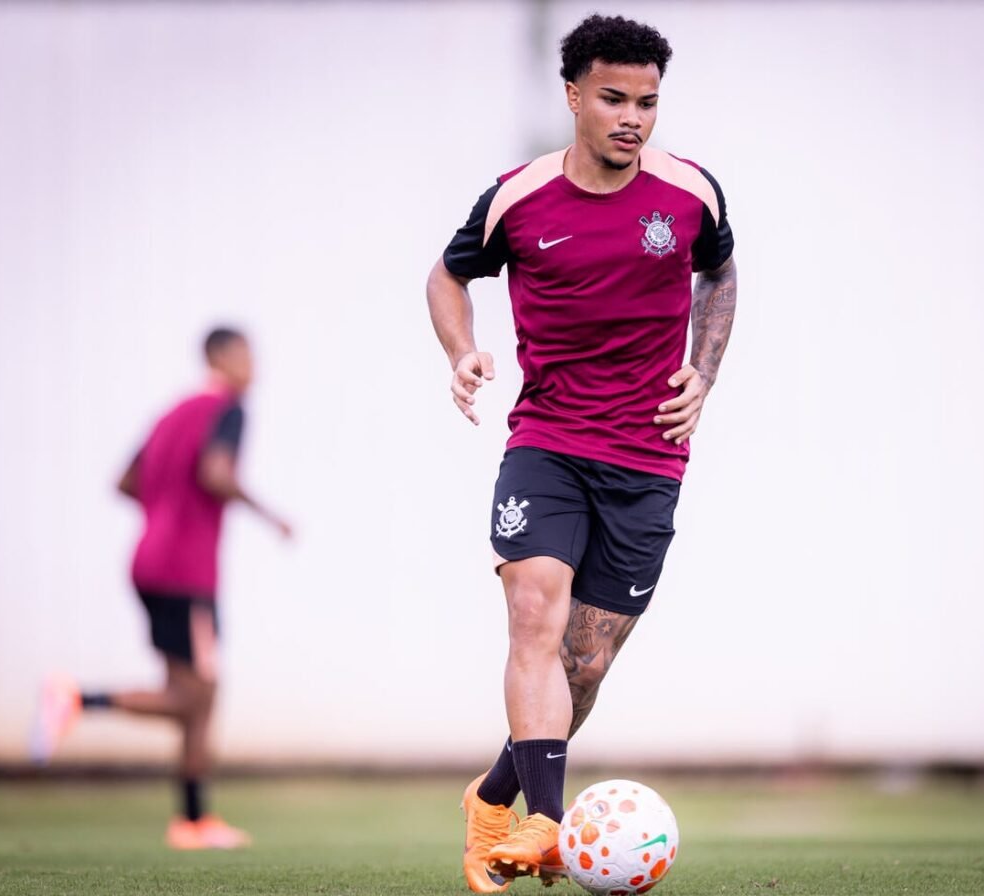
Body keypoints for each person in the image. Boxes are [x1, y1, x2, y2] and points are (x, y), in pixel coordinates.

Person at [426, 13, 737, 891]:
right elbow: (448, 273)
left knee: (585, 664)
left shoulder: (691, 193)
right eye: (614, 98)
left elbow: (721, 271)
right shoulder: (518, 199)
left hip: (648, 457)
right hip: (549, 442)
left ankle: (490, 797)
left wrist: (703, 374)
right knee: (534, 612)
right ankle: (548, 825)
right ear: (573, 97)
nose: (633, 117)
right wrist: (463, 352)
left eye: (647, 101)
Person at [29, 326, 292, 850]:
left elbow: (126, 481)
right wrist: (270, 516)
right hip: (186, 571)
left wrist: (167, 512)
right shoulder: (230, 407)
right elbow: (216, 473)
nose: (254, 367)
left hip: (151, 559)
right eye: (246, 356)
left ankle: (193, 821)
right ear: (223, 357)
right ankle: (78, 699)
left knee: (195, 692)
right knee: (197, 695)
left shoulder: (173, 412)